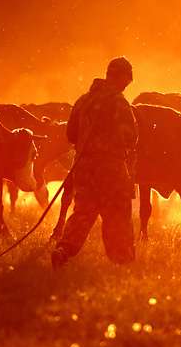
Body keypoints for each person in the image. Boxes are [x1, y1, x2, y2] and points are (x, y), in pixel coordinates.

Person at [51, 57, 138, 268]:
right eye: (127, 80)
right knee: (117, 213)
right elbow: (132, 137)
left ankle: (63, 250)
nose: (127, 85)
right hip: (111, 168)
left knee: (83, 212)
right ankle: (122, 262)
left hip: (83, 167)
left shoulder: (83, 101)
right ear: (122, 78)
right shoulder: (119, 102)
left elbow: (71, 134)